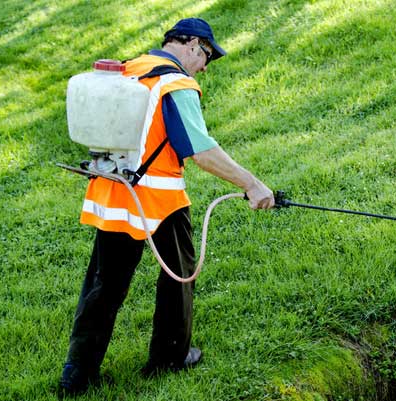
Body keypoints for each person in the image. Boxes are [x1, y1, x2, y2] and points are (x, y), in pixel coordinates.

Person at [58, 17, 275, 395]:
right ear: (191, 44)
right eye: (206, 55)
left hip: (114, 192)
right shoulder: (176, 83)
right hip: (159, 199)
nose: (205, 66)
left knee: (104, 284)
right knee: (180, 275)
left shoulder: (131, 69)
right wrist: (253, 184)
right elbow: (201, 150)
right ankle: (170, 358)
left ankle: (76, 374)